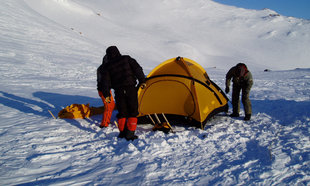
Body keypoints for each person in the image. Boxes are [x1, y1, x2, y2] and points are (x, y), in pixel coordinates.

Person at [99, 46, 146, 141]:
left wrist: (107, 95)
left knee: (122, 112)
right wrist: (142, 80)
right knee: (133, 111)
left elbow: (105, 82)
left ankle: (122, 132)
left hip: (118, 91)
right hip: (130, 89)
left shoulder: (107, 66)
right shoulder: (126, 59)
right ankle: (130, 133)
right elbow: (137, 69)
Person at [97, 55, 116, 128]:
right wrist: (106, 94)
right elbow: (104, 83)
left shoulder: (102, 68)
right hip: (104, 91)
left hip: (105, 90)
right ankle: (104, 124)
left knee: (111, 104)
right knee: (108, 106)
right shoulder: (104, 69)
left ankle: (107, 120)